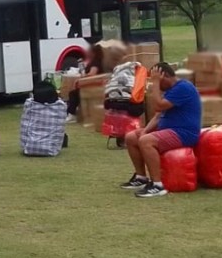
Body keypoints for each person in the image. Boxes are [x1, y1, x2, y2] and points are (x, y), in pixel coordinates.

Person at [120, 62, 201, 198]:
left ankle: (158, 185)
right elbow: (158, 115)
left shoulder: (183, 88)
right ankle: (141, 178)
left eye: (156, 79)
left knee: (146, 141)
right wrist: (145, 130)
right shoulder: (171, 91)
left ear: (165, 76)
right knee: (131, 137)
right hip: (169, 130)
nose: (154, 83)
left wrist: (155, 84)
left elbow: (158, 106)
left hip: (184, 133)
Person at [66, 43, 104, 123]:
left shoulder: (96, 62)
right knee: (73, 92)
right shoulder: (96, 61)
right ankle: (72, 112)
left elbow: (92, 74)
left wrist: (82, 77)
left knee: (73, 93)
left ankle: (72, 114)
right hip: (91, 84)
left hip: (92, 86)